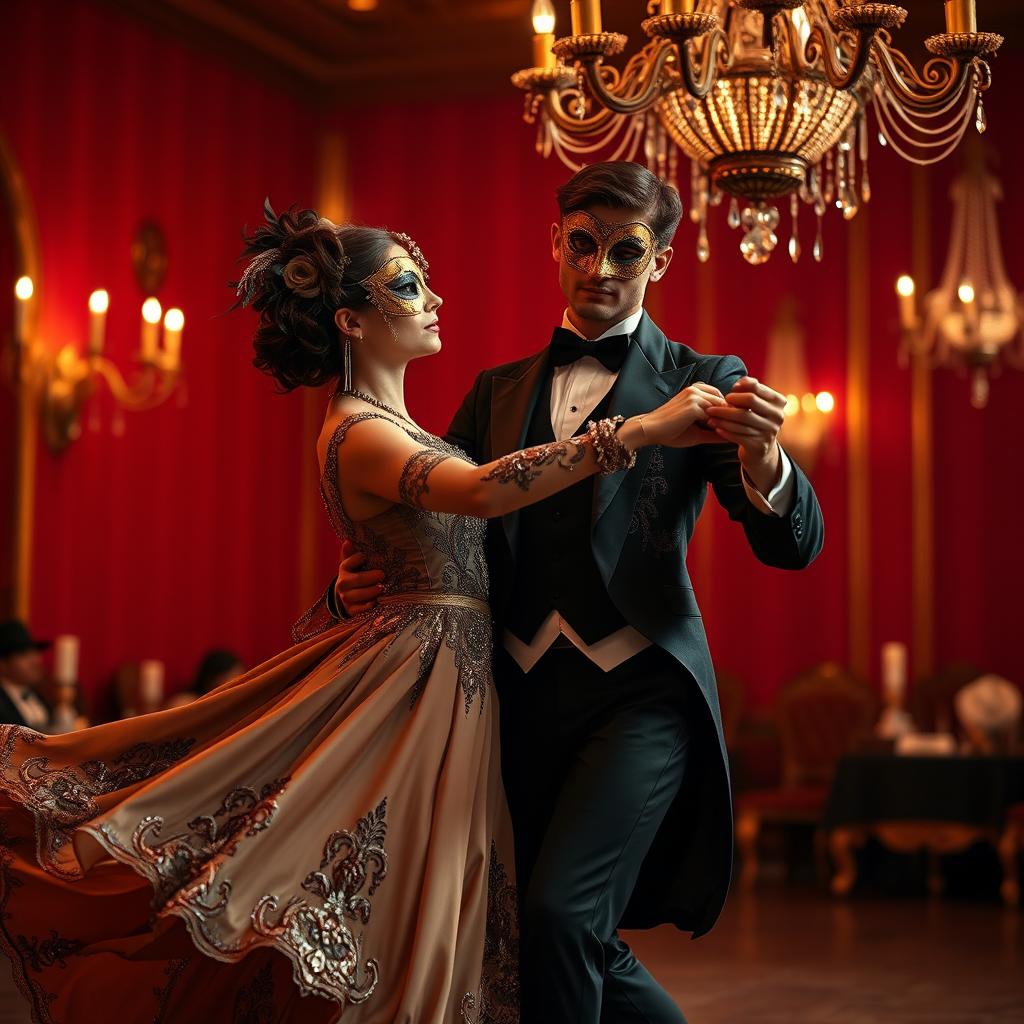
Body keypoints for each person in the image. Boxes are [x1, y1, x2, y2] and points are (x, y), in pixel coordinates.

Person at [0, 202, 710, 1023]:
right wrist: (643, 430)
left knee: (480, 912)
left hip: (452, 685)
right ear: (351, 318)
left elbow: (441, 533)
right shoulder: (359, 429)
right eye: (407, 286)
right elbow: (480, 492)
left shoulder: (400, 426)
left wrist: (349, 585)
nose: (433, 299)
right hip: (409, 695)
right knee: (408, 912)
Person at [332, 161, 825, 1022]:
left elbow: (791, 547)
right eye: (584, 245)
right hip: (514, 703)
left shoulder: (699, 378)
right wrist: (357, 576)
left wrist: (765, 465)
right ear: (555, 243)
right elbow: (435, 516)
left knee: (560, 916)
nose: (600, 269)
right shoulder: (494, 390)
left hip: (642, 700)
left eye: (626, 251)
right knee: (546, 929)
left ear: (659, 263)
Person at [0, 619, 52, 730]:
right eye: (24, 655)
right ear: (3, 663)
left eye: (35, 652)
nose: (36, 661)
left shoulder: (41, 695)